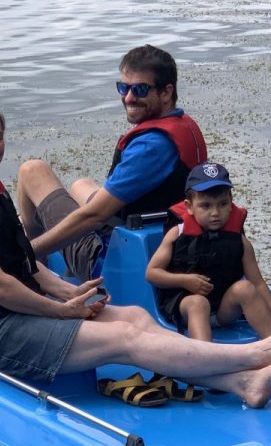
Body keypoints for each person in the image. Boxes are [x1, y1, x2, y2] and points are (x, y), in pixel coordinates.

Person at [0, 97, 271, 409]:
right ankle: (255, 355)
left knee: (134, 315)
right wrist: (59, 310)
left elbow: (23, 264)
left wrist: (71, 293)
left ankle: (244, 384)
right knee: (123, 340)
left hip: (11, 309)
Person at [15, 44, 208, 282]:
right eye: (123, 88)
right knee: (80, 184)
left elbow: (93, 217)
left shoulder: (150, 147)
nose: (128, 98)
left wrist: (22, 252)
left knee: (32, 171)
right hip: (162, 231)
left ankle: (33, 265)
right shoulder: (183, 124)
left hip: (107, 256)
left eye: (140, 89)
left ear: (166, 92)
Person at [146, 162, 271, 343]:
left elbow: (257, 283)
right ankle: (206, 359)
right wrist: (185, 281)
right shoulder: (177, 234)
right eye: (206, 206)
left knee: (245, 288)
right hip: (187, 307)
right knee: (198, 303)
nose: (215, 212)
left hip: (222, 310)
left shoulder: (239, 241)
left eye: (223, 204)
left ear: (230, 202)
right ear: (189, 207)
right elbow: (152, 273)